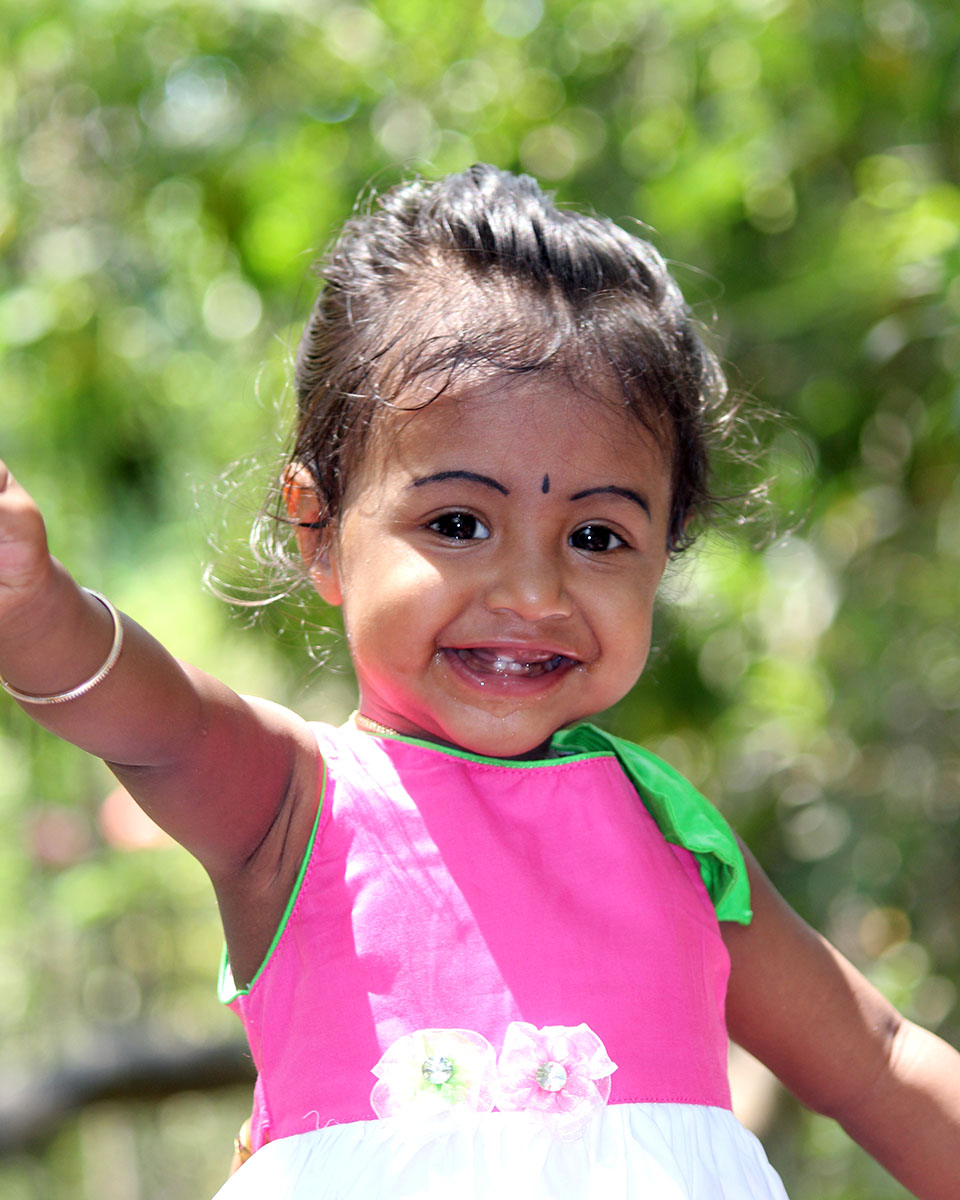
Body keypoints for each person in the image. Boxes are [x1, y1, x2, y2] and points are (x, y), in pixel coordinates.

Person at [1, 165, 958, 1200]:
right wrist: (30, 603)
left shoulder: (677, 839)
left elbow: (880, 1063)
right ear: (318, 528)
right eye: (458, 523)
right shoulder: (294, 803)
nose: (534, 590)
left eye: (598, 536)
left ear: (665, 552)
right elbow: (151, 718)